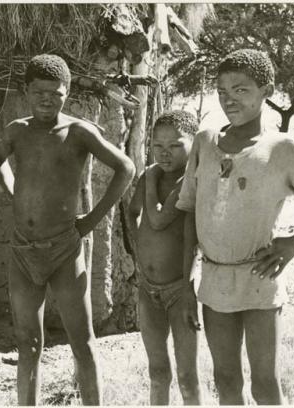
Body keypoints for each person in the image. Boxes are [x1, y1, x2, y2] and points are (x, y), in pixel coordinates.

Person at [176, 49, 294, 405]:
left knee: (265, 383)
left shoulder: (280, 148)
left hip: (259, 279)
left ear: (266, 90)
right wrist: (185, 282)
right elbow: (190, 212)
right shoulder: (205, 142)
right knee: (225, 379)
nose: (229, 100)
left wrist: (293, 243)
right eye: (222, 91)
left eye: (241, 90)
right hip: (214, 279)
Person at [0, 54, 135, 405]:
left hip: (64, 250)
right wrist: (12, 190)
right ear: (26, 91)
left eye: (55, 93)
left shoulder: (77, 132)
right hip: (23, 251)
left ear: (66, 93)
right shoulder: (17, 131)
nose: (47, 99)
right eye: (39, 92)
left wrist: (90, 221)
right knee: (28, 343)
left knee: (82, 342)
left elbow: (125, 169)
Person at [129, 111, 202, 405]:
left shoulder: (189, 183)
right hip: (148, 289)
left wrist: (150, 177)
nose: (164, 153)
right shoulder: (150, 176)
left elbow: (158, 220)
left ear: (193, 145)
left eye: (174, 145)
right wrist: (138, 252)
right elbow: (132, 212)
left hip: (180, 290)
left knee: (187, 376)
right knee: (157, 371)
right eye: (157, 145)